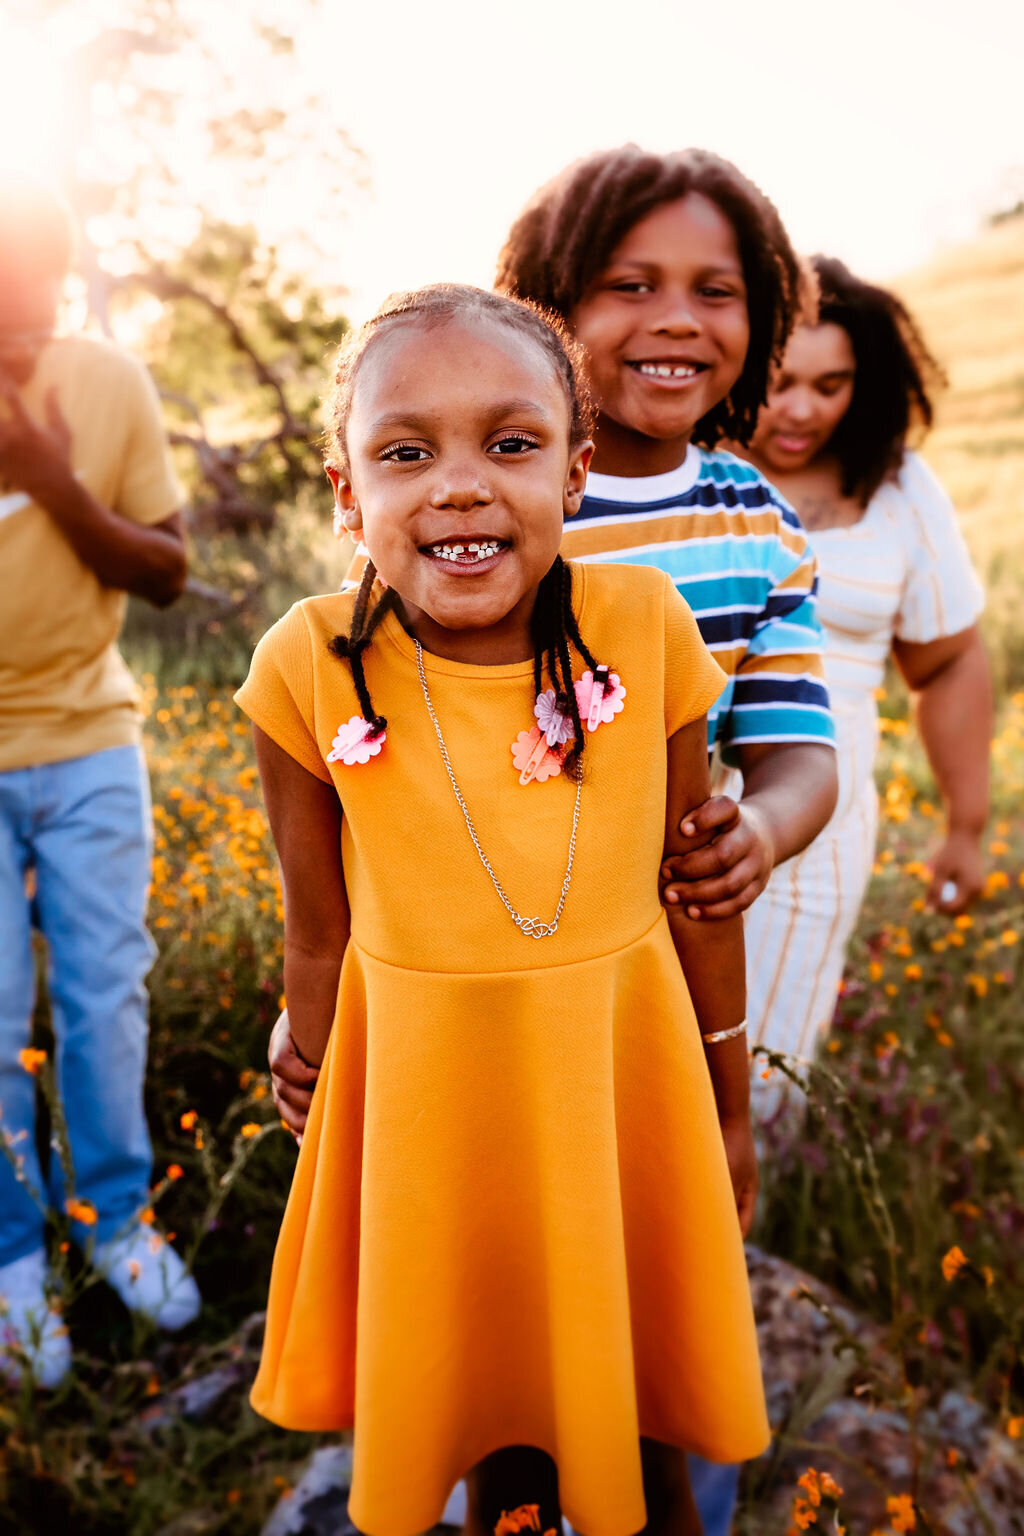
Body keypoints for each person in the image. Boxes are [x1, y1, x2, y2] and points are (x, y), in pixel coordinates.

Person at [235, 283, 769, 1536]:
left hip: (616, 1097)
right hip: (431, 1122)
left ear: (576, 471)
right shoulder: (305, 666)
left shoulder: (643, 628)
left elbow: (697, 899)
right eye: (405, 452)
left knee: (640, 1440)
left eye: (510, 443)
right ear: (344, 490)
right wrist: (306, 1052)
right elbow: (315, 925)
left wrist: (731, 1109)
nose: (460, 486)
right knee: (485, 1425)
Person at [490, 145, 840, 1535]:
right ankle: (515, 1482)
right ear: (548, 305)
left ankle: (665, 1489)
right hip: (498, 985)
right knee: (510, 1279)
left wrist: (761, 824)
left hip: (676, 991)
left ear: (765, 311)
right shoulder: (503, 494)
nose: (677, 319)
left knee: (671, 1256)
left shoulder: (752, 522)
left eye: (717, 288)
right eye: (629, 284)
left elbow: (801, 751)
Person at [0, 179, 200, 1390]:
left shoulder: (108, 384)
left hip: (86, 747)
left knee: (103, 997)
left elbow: (171, 572)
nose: (24, 322)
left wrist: (48, 475)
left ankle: (114, 1222)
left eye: (40, 292)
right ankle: (13, 1254)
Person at [730, 254, 990, 1061]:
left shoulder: (897, 487)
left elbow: (947, 660)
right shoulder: (678, 466)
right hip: (655, 819)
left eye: (832, 384)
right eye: (781, 380)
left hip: (816, 828)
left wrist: (967, 827)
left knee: (767, 1071)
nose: (803, 409)